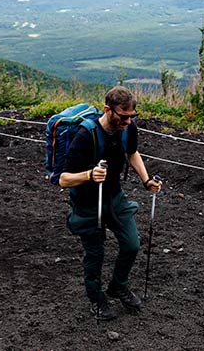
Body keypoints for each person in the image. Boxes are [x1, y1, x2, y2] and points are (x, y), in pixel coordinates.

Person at [59, 86, 162, 321]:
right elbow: (64, 180)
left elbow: (132, 153)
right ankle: (96, 299)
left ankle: (118, 285)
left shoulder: (128, 129)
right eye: (123, 116)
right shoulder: (86, 135)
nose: (127, 121)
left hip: (115, 197)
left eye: (131, 116)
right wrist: (88, 175)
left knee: (132, 244)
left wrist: (146, 181)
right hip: (87, 205)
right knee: (95, 255)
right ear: (107, 110)